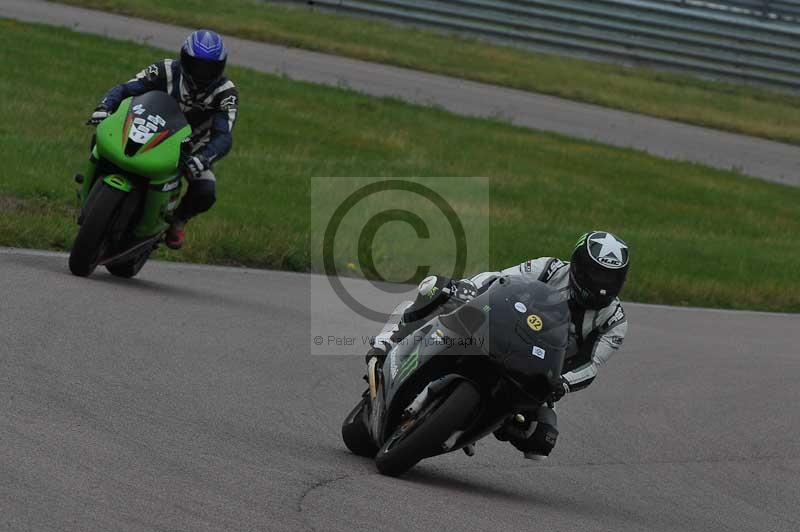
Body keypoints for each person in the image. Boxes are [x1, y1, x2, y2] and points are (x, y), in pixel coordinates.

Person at [365, 230, 630, 459]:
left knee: (540, 439)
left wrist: (563, 383)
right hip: (502, 332)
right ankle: (389, 341)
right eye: (596, 274)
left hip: (540, 373)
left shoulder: (614, 322)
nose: (602, 284)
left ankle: (475, 424)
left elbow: (591, 364)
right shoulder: (549, 268)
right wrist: (469, 288)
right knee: (438, 289)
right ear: (579, 265)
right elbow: (501, 279)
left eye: (610, 277)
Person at [86, 29, 239, 250]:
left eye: (209, 68)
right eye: (196, 64)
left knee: (206, 190)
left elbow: (224, 135)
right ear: (184, 58)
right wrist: (104, 107)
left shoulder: (226, 93)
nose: (201, 72)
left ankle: (177, 221)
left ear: (220, 67)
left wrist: (204, 158)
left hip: (192, 149)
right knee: (102, 139)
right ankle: (93, 190)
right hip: (150, 130)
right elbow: (126, 89)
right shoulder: (163, 69)